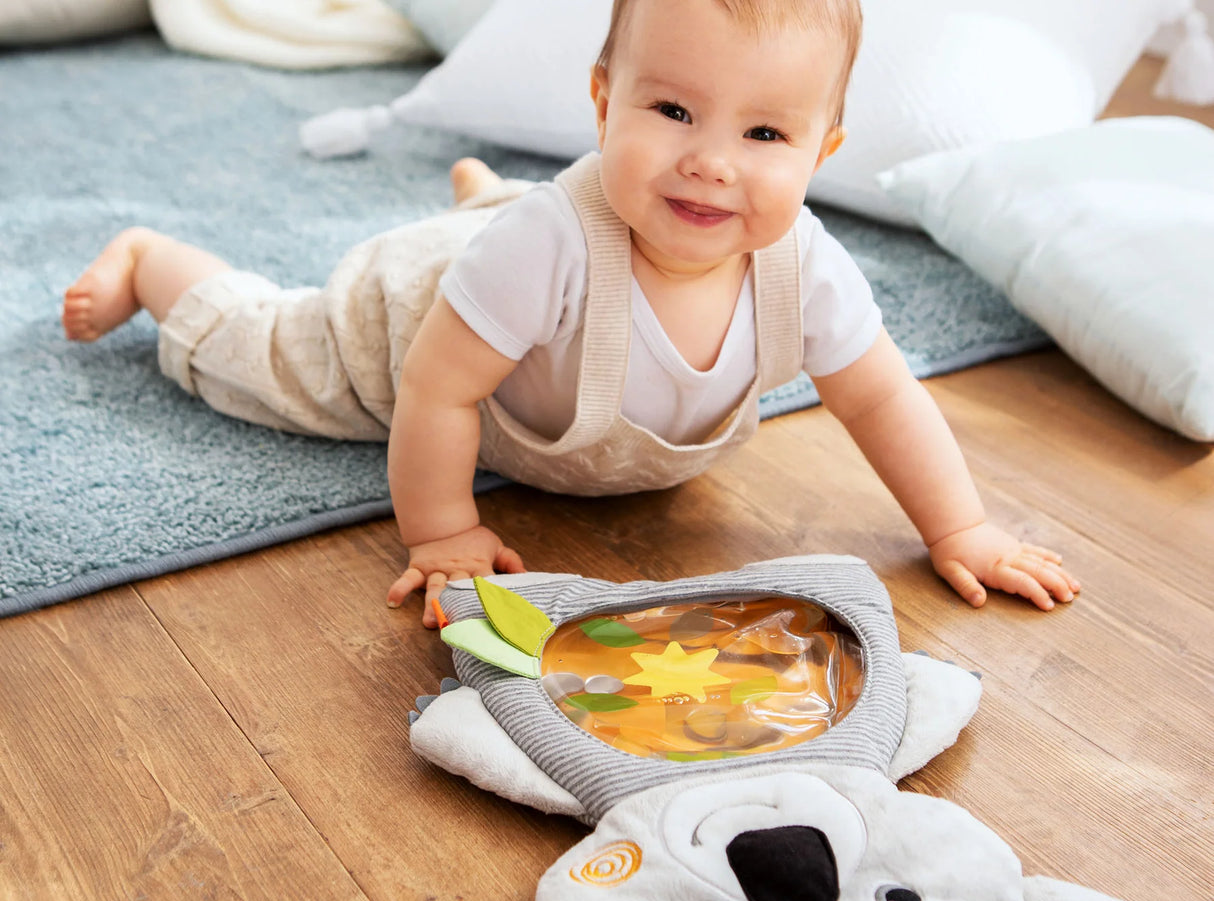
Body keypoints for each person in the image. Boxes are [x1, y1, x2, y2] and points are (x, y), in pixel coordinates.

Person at [62, 0, 1080, 626]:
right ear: (603, 101)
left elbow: (881, 397)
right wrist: (443, 526)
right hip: (419, 317)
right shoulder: (547, 247)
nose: (710, 160)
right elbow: (435, 385)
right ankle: (155, 261)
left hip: (516, 277)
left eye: (763, 130)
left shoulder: (803, 266)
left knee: (530, 241)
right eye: (671, 110)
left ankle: (481, 191)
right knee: (266, 356)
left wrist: (960, 526)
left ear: (821, 153)